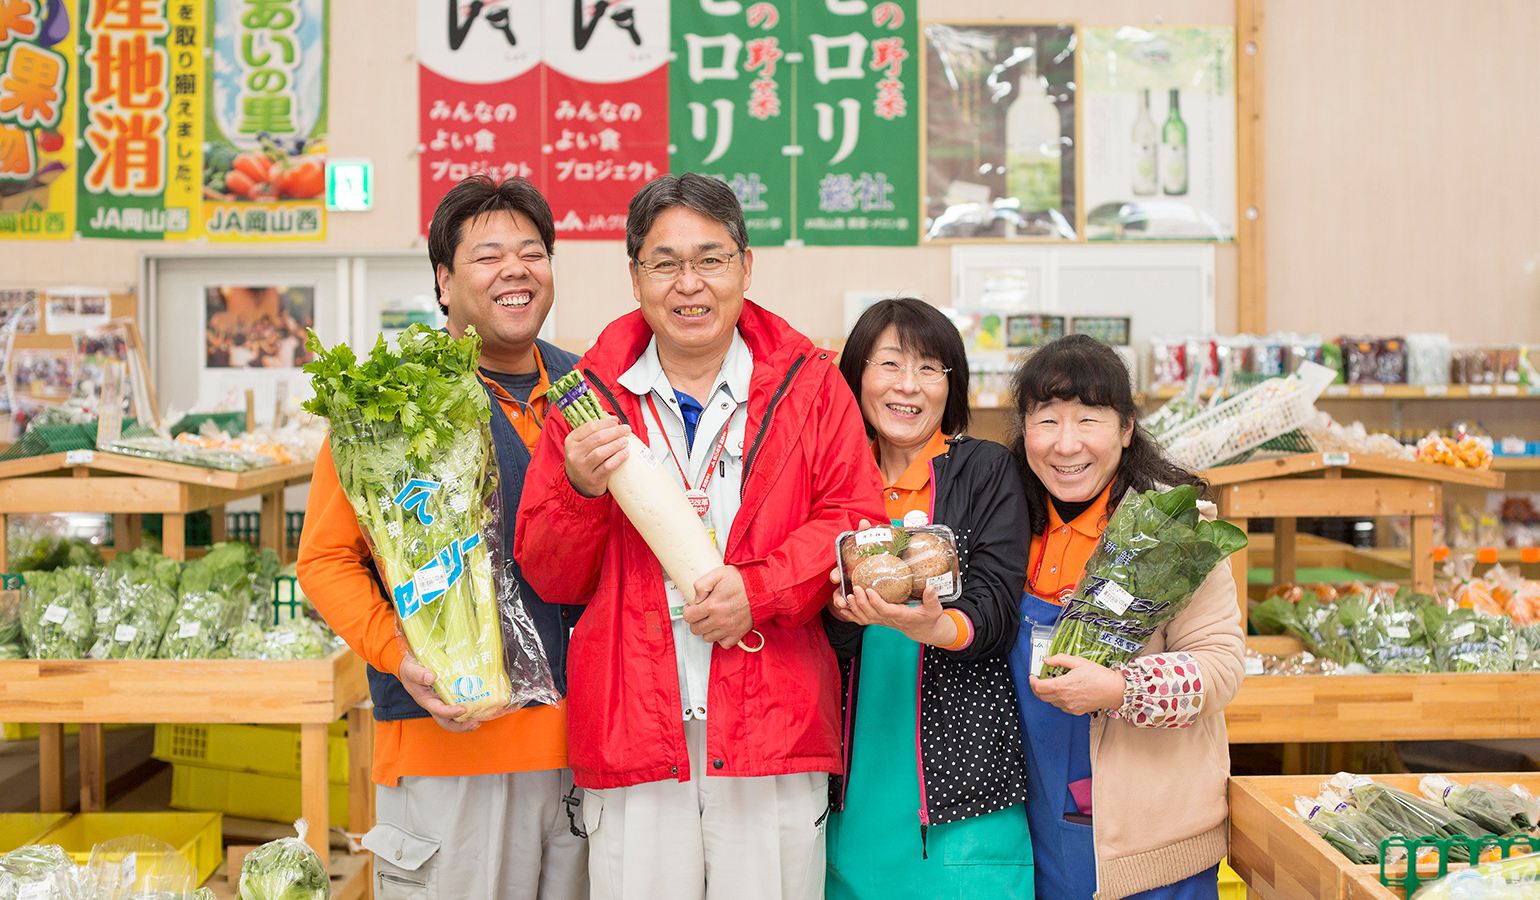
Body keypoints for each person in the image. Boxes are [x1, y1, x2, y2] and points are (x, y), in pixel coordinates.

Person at [514, 173, 887, 900]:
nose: (690, 284)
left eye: (711, 259)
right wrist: (579, 490)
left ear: (747, 266)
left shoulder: (810, 384)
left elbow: (858, 523)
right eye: (666, 263)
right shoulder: (586, 397)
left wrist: (762, 588)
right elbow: (550, 575)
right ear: (635, 276)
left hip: (771, 723)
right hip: (634, 728)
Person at [298, 175, 587, 900]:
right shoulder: (385, 404)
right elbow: (326, 559)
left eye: (532, 251)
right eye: (488, 255)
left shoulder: (588, 390)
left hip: (584, 751)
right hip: (448, 750)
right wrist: (399, 656)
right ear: (444, 281)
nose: (515, 269)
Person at [1004, 334, 1246, 900]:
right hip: (1036, 829)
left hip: (1150, 844)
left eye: (1088, 419)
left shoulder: (1174, 527)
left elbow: (1220, 667)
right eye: (1047, 421)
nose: (1066, 445)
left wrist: (1118, 688)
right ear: (1024, 430)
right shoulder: (1011, 523)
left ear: (1126, 429)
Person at [822, 298, 1034, 898]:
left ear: (951, 384)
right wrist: (841, 614)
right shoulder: (832, 476)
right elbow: (809, 627)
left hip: (965, 769)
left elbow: (997, 608)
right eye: (889, 365)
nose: (907, 387)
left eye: (929, 368)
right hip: (852, 768)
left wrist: (935, 627)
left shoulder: (986, 470)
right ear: (857, 375)